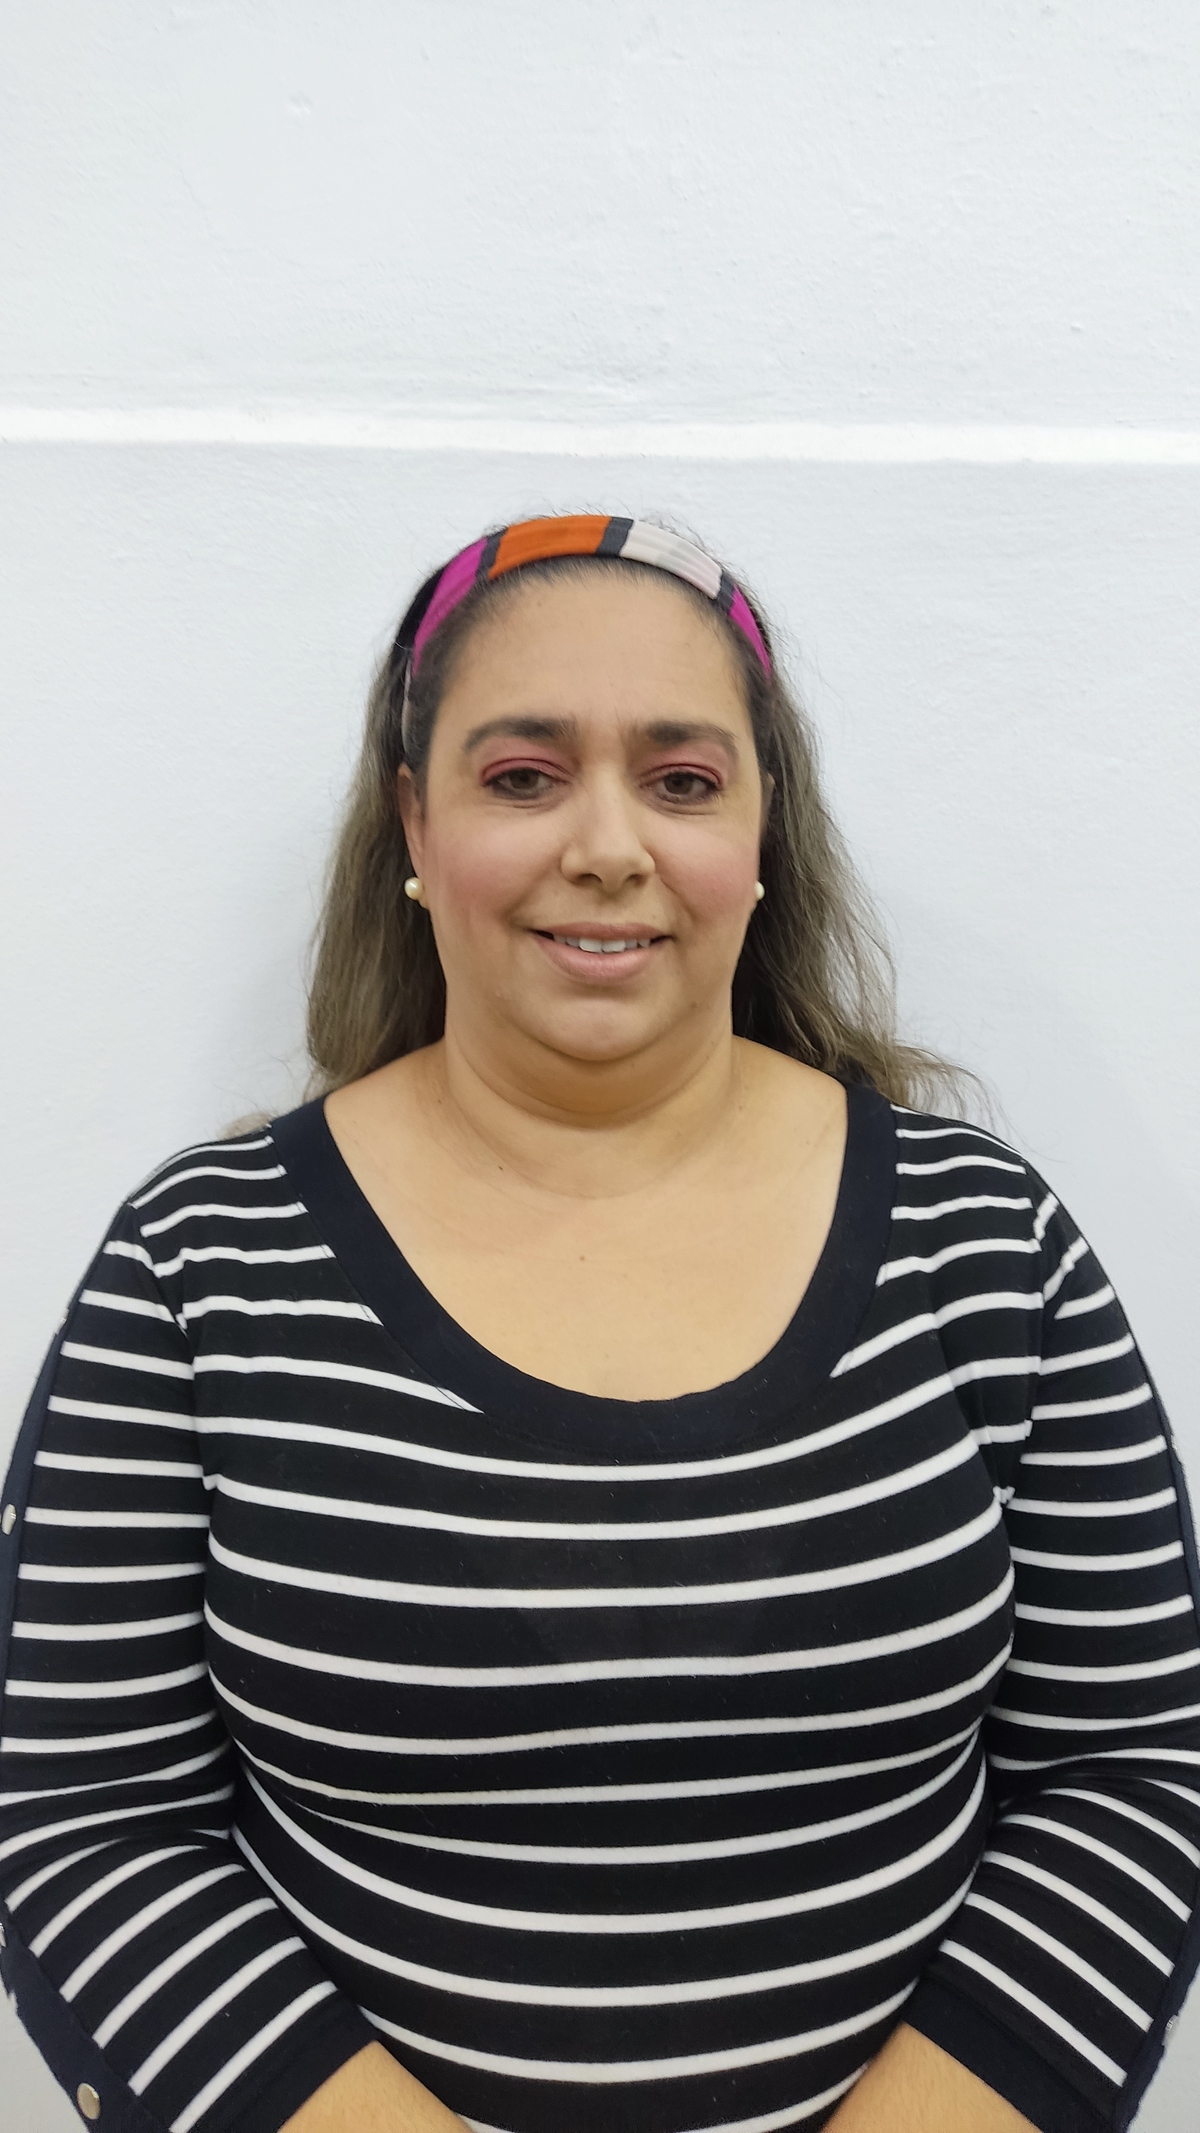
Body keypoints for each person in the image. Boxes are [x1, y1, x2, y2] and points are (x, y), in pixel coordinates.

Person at [1, 513, 1198, 2133]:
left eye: (684, 778)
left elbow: (1132, 1775)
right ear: (414, 822)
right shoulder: (197, 1267)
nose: (610, 843)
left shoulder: (984, 1244)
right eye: (524, 775)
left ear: (762, 833)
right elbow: (87, 1820)